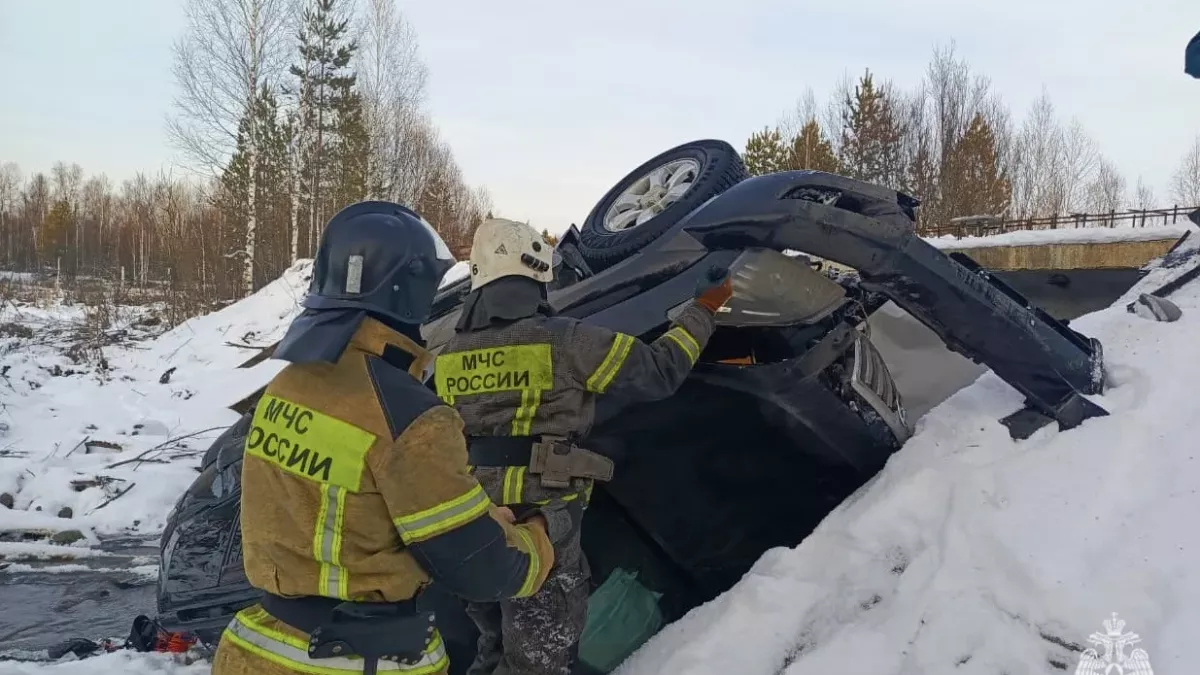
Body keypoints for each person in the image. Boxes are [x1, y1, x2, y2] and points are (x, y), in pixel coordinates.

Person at [211, 202, 556, 675]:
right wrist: (538, 536)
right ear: (411, 290)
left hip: (257, 647)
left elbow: (346, 510)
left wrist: (479, 517)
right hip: (357, 659)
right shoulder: (411, 417)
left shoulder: (290, 383)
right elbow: (482, 568)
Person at [432, 218, 734, 675]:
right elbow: (660, 371)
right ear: (536, 276)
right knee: (538, 661)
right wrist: (705, 308)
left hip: (475, 522)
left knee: (491, 646)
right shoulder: (567, 341)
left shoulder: (448, 359)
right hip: (541, 530)